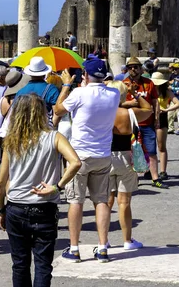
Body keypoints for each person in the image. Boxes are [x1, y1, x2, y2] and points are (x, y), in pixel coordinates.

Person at [0, 94, 81, 286]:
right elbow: (75, 162)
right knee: (43, 264)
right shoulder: (54, 137)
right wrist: (57, 187)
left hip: (16, 206)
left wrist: (1, 210)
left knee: (19, 264)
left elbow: (1, 183)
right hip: (44, 206)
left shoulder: (11, 141)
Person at [54, 57, 120, 263]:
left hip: (79, 155)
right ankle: (102, 247)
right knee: (101, 200)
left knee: (76, 201)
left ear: (85, 76)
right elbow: (105, 87)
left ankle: (74, 248)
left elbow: (57, 110)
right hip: (102, 154)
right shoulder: (114, 94)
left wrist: (66, 85)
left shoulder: (79, 93)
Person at [105, 80, 153, 250]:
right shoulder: (130, 113)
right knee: (124, 201)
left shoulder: (102, 113)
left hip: (105, 157)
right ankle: (127, 240)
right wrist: (137, 94)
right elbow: (149, 109)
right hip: (126, 156)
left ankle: (103, 241)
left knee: (105, 201)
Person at [122, 57, 163, 188]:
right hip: (130, 124)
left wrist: (157, 119)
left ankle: (155, 177)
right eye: (130, 67)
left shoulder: (149, 83)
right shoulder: (124, 84)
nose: (133, 69)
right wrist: (129, 103)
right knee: (131, 151)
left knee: (151, 151)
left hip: (147, 123)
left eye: (135, 67)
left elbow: (155, 102)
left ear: (140, 68)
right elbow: (118, 103)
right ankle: (134, 178)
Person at [15, 57, 60, 128]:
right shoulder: (51, 89)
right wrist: (50, 130)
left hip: (25, 130)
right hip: (43, 129)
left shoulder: (20, 91)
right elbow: (57, 112)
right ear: (45, 73)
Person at [151, 72, 179, 181]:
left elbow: (177, 103)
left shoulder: (166, 92)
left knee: (161, 146)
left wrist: (166, 109)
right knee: (149, 146)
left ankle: (163, 171)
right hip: (150, 117)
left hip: (162, 117)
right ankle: (150, 170)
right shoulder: (150, 91)